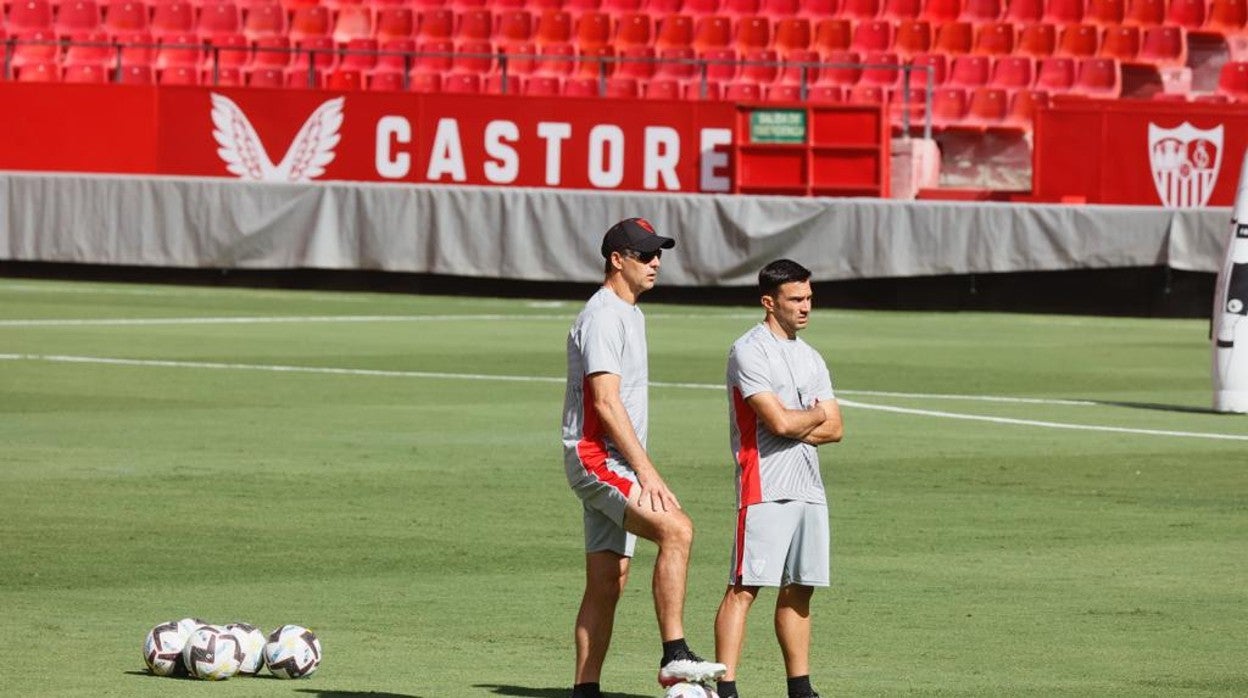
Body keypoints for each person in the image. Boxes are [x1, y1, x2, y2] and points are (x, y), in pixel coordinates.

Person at [561, 218, 727, 698]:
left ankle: (584, 691)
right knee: (677, 528)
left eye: (659, 253)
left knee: (608, 580)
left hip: (609, 459)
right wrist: (647, 472)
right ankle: (675, 655)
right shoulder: (604, 316)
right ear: (617, 259)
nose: (656, 262)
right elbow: (606, 402)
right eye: (645, 254)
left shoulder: (630, 312)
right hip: (597, 456)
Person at [713, 259, 844, 698]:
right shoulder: (748, 350)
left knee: (801, 587)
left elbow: (837, 428)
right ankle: (725, 687)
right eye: (796, 299)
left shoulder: (811, 357)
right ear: (769, 302)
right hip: (764, 483)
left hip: (809, 486)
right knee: (745, 587)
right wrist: (812, 416)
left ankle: (800, 688)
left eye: (809, 298)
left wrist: (801, 419)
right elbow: (778, 424)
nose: (806, 307)